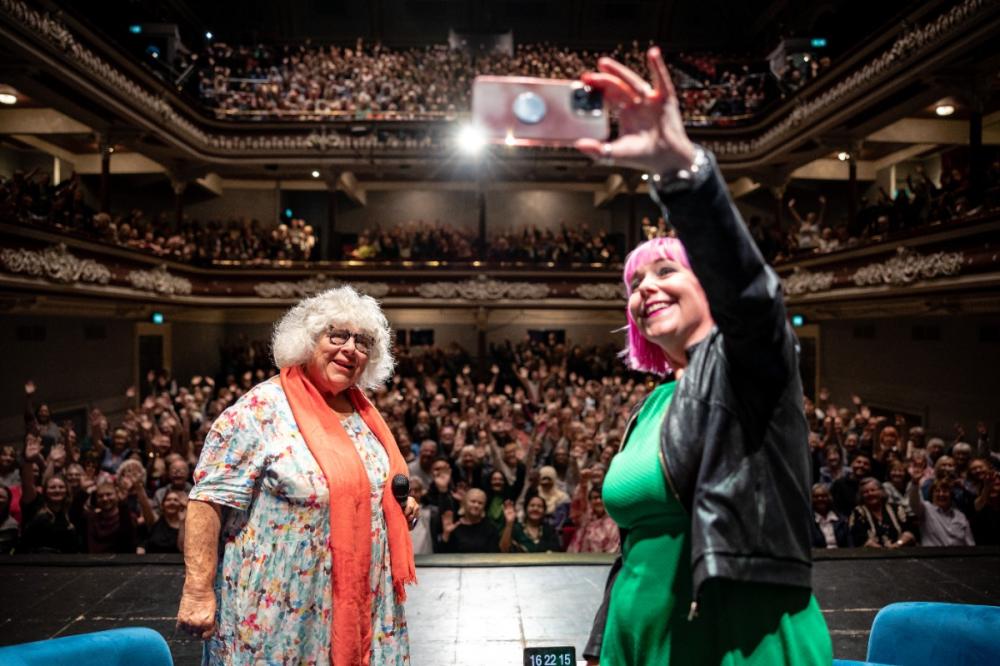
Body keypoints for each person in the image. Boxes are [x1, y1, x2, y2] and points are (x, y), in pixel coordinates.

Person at [579, 47, 831, 665]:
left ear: (710, 283)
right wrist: (598, 644)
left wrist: (682, 174)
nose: (645, 291)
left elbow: (752, 296)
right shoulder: (654, 404)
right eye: (635, 284)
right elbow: (639, 546)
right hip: (640, 643)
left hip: (736, 638)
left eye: (667, 270)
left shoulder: (748, 363)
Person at [176, 286, 418, 665]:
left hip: (360, 598)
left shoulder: (363, 411)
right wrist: (197, 591)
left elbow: (365, 481)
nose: (350, 348)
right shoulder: (259, 410)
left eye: (363, 341)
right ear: (307, 341)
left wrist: (390, 502)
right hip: (283, 609)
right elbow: (208, 501)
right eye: (337, 335)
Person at [907, 469, 975, 547]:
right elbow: (914, 502)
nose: (941, 494)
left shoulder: (960, 516)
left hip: (958, 557)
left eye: (945, 491)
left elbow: (970, 543)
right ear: (932, 494)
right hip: (933, 556)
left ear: (951, 495)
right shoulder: (926, 509)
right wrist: (915, 483)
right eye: (937, 491)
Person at [848, 477, 916, 549]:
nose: (870, 494)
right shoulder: (858, 512)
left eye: (873, 490)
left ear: (881, 491)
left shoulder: (897, 509)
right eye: (865, 492)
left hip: (901, 552)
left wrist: (897, 544)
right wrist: (883, 550)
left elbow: (909, 533)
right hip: (871, 555)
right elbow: (858, 538)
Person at [440, 488, 499, 553]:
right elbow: (442, 555)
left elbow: (493, 555)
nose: (476, 505)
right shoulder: (454, 526)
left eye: (480, 503)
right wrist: (446, 534)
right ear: (465, 503)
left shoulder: (490, 528)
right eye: (473, 501)